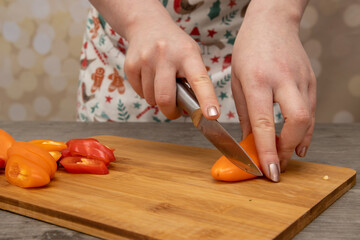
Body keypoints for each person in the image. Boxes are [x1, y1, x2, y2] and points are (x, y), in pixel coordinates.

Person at [78, 0, 316, 183]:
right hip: (129, 45)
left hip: (257, 57)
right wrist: (137, 19)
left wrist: (278, 15)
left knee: (264, 140)